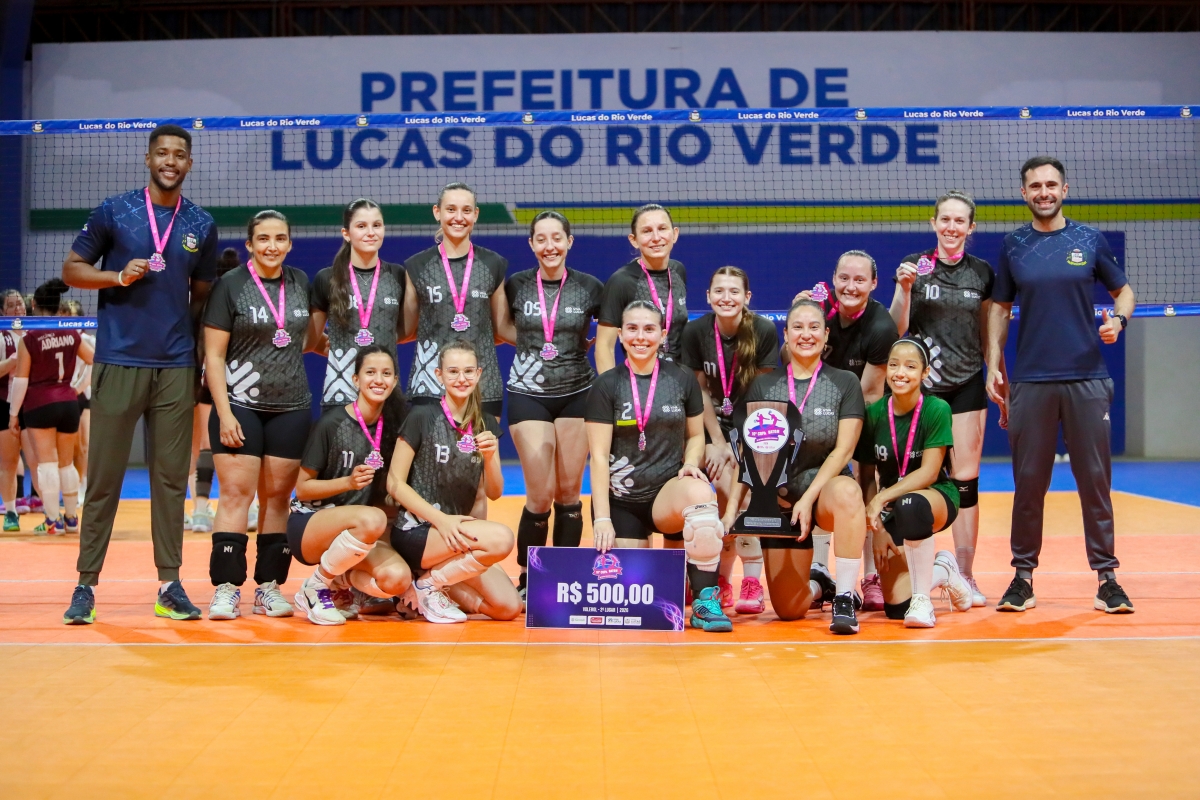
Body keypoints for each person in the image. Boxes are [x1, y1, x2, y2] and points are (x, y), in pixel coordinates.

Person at [61, 124, 217, 624]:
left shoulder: (201, 222)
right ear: (148, 159)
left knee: (170, 481)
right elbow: (71, 269)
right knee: (103, 480)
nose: (171, 161)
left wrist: (193, 354)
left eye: (179, 154)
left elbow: (202, 295)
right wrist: (115, 276)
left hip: (175, 367)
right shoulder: (115, 211)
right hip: (118, 361)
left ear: (189, 163)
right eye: (162, 153)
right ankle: (85, 586)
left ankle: (169, 585)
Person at [986, 156, 1136, 614]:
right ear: (1024, 193)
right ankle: (1022, 579)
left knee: (1095, 483)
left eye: (1051, 184)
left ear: (1065, 190)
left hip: (1088, 378)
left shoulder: (1089, 240)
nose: (1044, 192)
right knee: (1029, 484)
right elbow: (999, 309)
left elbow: (1124, 292)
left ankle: (1107, 579)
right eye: (1035, 186)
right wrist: (993, 363)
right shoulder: (1013, 245)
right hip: (1032, 380)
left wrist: (1119, 320)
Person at [586, 300, 732, 633]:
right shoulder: (606, 385)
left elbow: (696, 436)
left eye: (649, 329)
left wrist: (691, 463)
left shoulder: (681, 378)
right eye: (632, 329)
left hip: (666, 494)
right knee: (638, 601)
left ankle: (705, 602)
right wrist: (602, 518)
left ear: (663, 335)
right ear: (620, 335)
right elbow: (598, 456)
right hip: (622, 500)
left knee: (701, 496)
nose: (641, 337)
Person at [721, 299, 866, 634]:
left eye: (814, 327)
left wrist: (809, 498)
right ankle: (820, 586)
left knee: (848, 492)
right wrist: (730, 511)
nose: (806, 334)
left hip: (824, 491)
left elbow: (844, 450)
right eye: (797, 327)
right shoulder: (765, 386)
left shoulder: (845, 382)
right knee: (789, 609)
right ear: (785, 334)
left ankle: (844, 597)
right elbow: (749, 453)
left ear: (826, 335)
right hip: (781, 502)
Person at [891, 191, 1000, 607]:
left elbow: (988, 330)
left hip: (967, 383)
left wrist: (997, 374)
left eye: (960, 221)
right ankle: (909, 576)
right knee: (914, 479)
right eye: (946, 220)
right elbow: (897, 328)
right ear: (933, 223)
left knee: (966, 481)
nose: (952, 227)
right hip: (923, 390)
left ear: (971, 228)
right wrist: (904, 289)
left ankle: (966, 575)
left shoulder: (982, 273)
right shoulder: (915, 268)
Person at [202, 210, 312, 621]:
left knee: (278, 499)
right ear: (249, 244)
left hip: (292, 407)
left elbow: (308, 339)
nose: (272, 246)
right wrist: (225, 412)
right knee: (235, 495)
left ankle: (269, 587)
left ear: (289, 243)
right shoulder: (230, 286)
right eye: (263, 238)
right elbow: (213, 356)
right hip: (240, 407)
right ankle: (226, 587)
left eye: (280, 238)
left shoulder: (300, 283)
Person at [496, 211, 603, 601]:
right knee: (540, 494)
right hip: (528, 393)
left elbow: (610, 333)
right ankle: (530, 578)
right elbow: (500, 327)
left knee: (570, 492)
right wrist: (533, 343)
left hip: (578, 392)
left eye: (557, 238)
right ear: (531, 244)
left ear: (569, 242)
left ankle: (565, 575)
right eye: (541, 239)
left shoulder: (590, 287)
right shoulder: (516, 285)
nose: (550, 246)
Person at [386, 340, 521, 623]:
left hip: (455, 536)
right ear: (439, 375)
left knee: (508, 607)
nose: (462, 378)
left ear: (479, 374)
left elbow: (495, 492)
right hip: (419, 530)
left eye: (469, 371)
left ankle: (422, 586)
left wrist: (490, 457)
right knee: (502, 538)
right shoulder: (421, 416)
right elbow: (395, 483)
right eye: (453, 371)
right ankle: (428, 585)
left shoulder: (485, 423)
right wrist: (442, 520)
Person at [795, 250, 899, 611]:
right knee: (816, 477)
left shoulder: (881, 327)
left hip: (865, 414)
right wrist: (799, 317)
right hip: (821, 409)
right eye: (844, 278)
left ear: (873, 283)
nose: (850, 286)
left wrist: (841, 441)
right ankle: (820, 569)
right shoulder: (819, 313)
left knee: (867, 485)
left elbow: (870, 393)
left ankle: (870, 576)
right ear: (833, 279)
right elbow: (793, 362)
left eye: (859, 280)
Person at [680, 266, 778, 614]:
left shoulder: (763, 331)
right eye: (718, 291)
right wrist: (718, 441)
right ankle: (720, 578)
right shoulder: (695, 332)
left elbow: (763, 394)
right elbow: (699, 393)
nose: (726, 297)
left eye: (734, 291)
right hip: (712, 430)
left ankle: (751, 580)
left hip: (754, 428)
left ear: (747, 297)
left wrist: (741, 445)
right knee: (721, 487)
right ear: (707, 296)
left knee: (745, 485)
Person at [856, 339, 973, 627]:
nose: (900, 373)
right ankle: (943, 570)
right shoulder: (874, 414)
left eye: (910, 366)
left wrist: (881, 499)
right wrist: (878, 529)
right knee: (896, 608)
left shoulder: (936, 408)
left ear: (924, 373)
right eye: (894, 365)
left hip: (935, 497)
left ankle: (923, 602)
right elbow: (866, 477)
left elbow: (929, 473)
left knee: (911, 503)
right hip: (892, 509)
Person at [289, 345, 410, 625]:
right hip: (311, 524)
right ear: (356, 379)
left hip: (359, 532)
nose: (378, 380)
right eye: (370, 372)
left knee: (397, 579)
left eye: (386, 374)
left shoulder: (394, 428)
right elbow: (303, 489)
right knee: (373, 517)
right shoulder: (332, 424)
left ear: (394, 381)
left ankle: (342, 582)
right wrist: (348, 482)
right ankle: (315, 586)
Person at [401, 183, 509, 420]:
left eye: (466, 210)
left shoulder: (493, 264)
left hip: (483, 384)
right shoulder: (417, 266)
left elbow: (502, 330)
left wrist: (558, 342)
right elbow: (407, 330)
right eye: (451, 209)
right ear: (437, 212)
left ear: (476, 214)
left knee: (481, 446)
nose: (458, 217)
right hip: (430, 383)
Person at [6, 280, 93, 535]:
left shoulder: (30, 338)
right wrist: (77, 387)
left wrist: (13, 414)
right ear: (58, 305)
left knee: (47, 464)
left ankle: (53, 520)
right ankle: (72, 519)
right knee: (66, 464)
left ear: (33, 304)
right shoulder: (71, 333)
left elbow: (21, 380)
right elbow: (94, 359)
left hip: (40, 404)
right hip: (68, 402)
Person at [308, 199, 407, 411]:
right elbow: (311, 340)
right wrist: (339, 345)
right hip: (340, 394)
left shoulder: (397, 275)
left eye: (376, 225)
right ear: (346, 233)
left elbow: (408, 329)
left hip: (386, 393)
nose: (370, 232)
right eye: (361, 226)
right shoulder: (327, 278)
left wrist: (382, 340)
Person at [595, 204, 688, 372]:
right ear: (634, 240)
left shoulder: (678, 271)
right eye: (647, 231)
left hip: (679, 378)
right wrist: (608, 387)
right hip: (639, 380)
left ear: (674, 234)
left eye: (662, 229)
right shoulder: (620, 282)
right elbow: (605, 346)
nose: (656, 237)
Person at [189, 247, 240, 535]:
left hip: (206, 378)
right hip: (239, 381)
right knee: (246, 446)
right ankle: (249, 507)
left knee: (204, 445)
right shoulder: (242, 295)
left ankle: (199, 510)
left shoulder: (205, 299)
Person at [60, 300, 93, 509]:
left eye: (70, 315)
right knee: (68, 447)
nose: (66, 318)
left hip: (82, 395)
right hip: (61, 394)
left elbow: (91, 368)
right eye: (63, 314)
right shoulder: (58, 338)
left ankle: (83, 486)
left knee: (83, 445)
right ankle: (68, 488)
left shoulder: (87, 339)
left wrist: (78, 389)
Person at [0, 291, 23, 530]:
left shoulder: (35, 331)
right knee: (9, 462)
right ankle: (10, 513)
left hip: (33, 404)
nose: (17, 308)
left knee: (40, 461)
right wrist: (15, 362)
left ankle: (53, 514)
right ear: (2, 311)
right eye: (11, 305)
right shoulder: (2, 336)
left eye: (20, 303)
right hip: (5, 404)